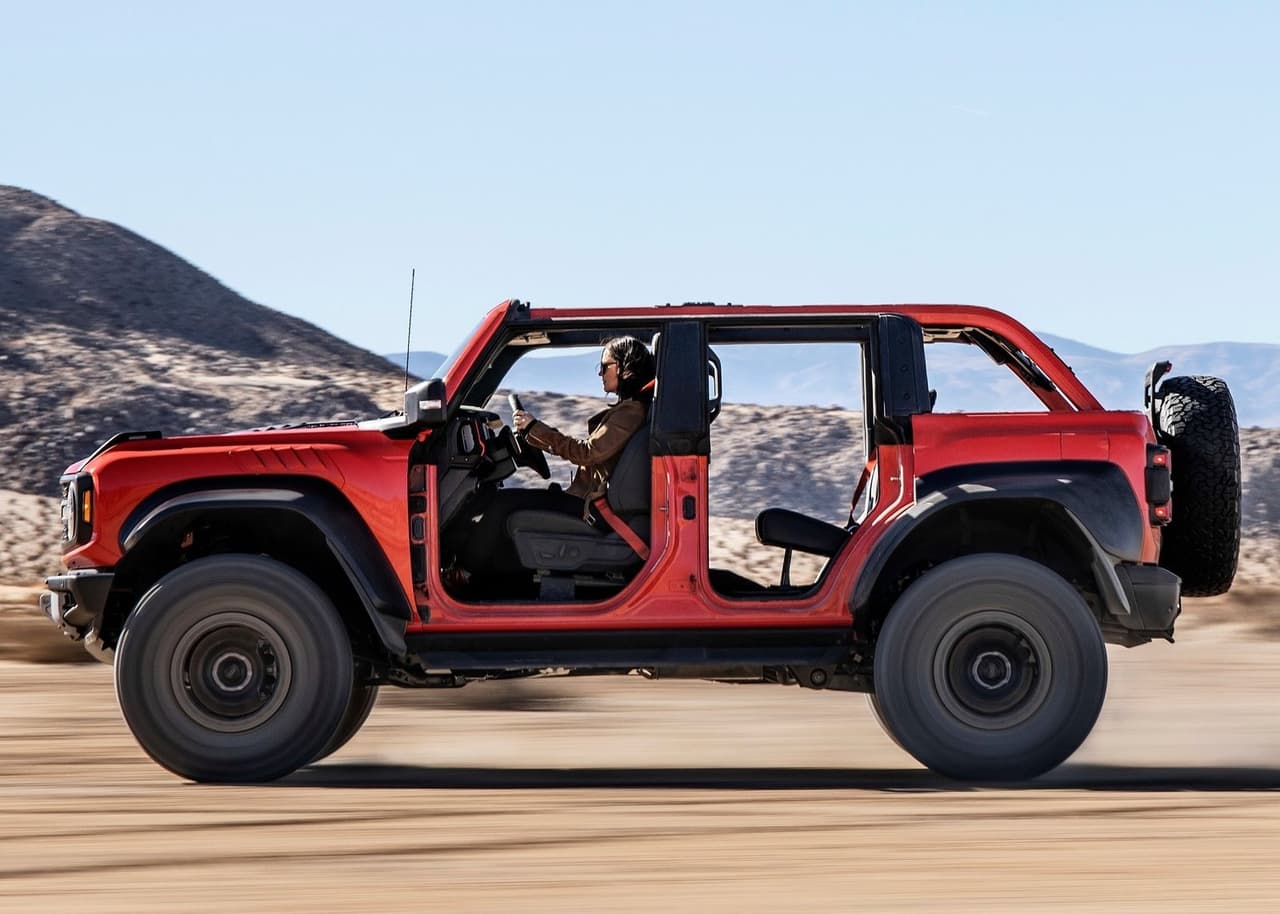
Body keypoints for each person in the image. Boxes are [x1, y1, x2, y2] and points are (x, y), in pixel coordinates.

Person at [451, 335, 656, 588]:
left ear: (626, 368)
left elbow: (587, 452)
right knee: (510, 505)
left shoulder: (630, 412)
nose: (600, 374)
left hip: (592, 510)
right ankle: (494, 583)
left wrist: (536, 430)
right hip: (589, 503)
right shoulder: (629, 410)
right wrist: (535, 432)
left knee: (502, 504)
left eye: (605, 366)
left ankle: (462, 574)